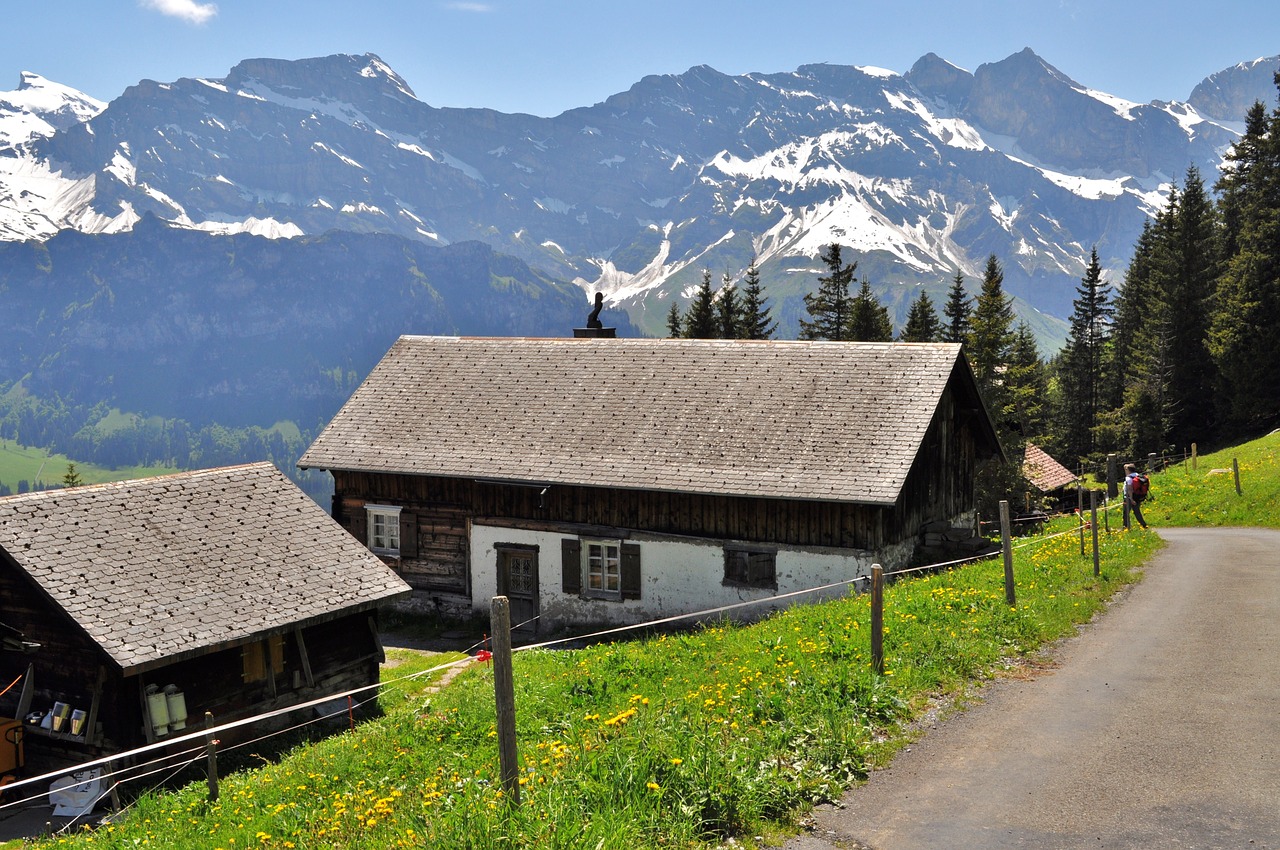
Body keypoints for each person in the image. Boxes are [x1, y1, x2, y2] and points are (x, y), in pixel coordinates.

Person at [1123, 463, 1149, 530]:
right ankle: (1144, 525)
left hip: (1129, 498)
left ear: (1128, 470)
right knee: (1137, 511)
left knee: (1126, 513)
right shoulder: (1138, 476)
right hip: (1138, 496)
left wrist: (1131, 499)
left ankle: (1126, 527)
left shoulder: (1128, 478)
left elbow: (1130, 489)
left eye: (1126, 469)